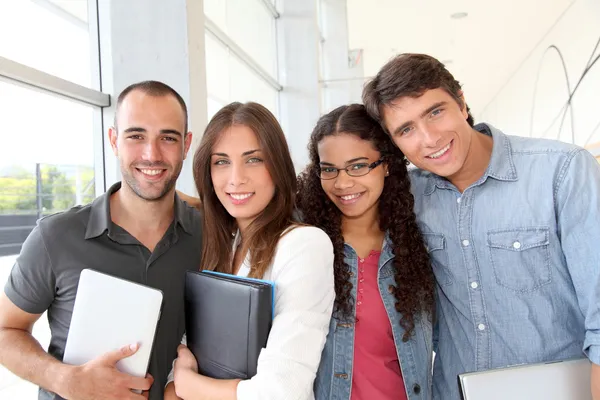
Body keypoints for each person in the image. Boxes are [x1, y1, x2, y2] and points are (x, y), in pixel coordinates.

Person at [362, 52, 600, 399]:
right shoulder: (407, 197)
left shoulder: (562, 172)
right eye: (406, 129)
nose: (429, 138)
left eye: (435, 111)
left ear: (461, 101)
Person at [0, 80, 203, 400]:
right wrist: (63, 378)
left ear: (186, 144)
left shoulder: (207, 236)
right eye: (136, 136)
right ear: (113, 140)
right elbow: (5, 331)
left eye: (168, 138)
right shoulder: (56, 237)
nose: (152, 154)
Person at [164, 101, 335, 400]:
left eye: (253, 159)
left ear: (277, 166)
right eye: (221, 161)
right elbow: (188, 351)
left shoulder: (304, 246)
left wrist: (189, 386)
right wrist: (174, 387)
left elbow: (283, 391)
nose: (236, 178)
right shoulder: (224, 246)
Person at [296, 104, 435, 400]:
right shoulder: (304, 244)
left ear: (385, 164)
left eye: (358, 165)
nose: (342, 183)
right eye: (329, 169)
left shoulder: (413, 246)